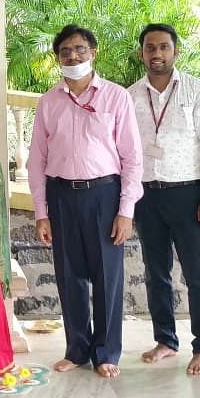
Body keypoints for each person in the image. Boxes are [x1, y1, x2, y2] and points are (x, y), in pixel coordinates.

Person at [27, 24, 143, 378]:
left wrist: (126, 211)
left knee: (107, 276)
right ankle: (77, 348)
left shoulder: (115, 97)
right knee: (69, 276)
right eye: (65, 52)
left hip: (104, 195)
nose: (73, 56)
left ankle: (106, 352)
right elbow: (36, 160)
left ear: (93, 51)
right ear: (57, 58)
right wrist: (41, 213)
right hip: (62, 195)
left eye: (79, 49)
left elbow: (132, 158)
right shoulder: (49, 102)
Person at [129, 24, 200, 375]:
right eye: (150, 48)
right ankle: (166, 340)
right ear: (142, 53)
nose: (157, 54)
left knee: (197, 272)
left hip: (188, 194)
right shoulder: (129, 96)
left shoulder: (198, 92)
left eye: (164, 47)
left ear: (176, 51)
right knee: (155, 273)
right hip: (146, 195)